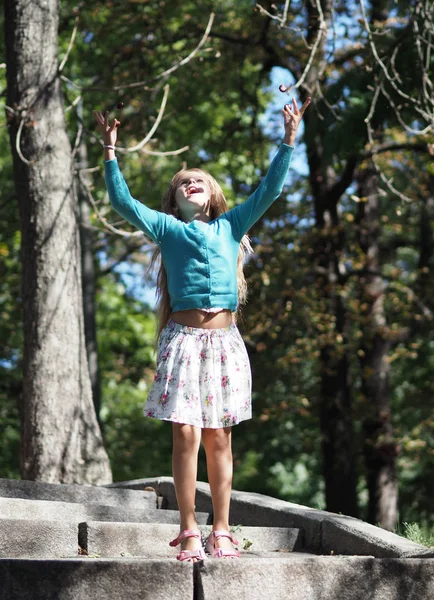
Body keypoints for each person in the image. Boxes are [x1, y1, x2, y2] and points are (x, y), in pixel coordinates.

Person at [93, 95, 310, 562]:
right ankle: (189, 530)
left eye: (200, 182)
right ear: (173, 200)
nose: (192, 183)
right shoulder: (167, 229)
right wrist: (111, 153)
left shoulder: (231, 226)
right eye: (183, 182)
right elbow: (122, 201)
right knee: (187, 434)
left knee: (218, 437)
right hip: (183, 342)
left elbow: (269, 191)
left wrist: (289, 141)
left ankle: (223, 529)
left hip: (224, 343)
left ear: (212, 196)